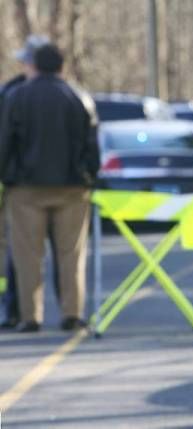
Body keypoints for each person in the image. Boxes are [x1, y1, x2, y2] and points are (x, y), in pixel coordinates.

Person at [0, 43, 100, 333]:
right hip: (72, 188)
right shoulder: (79, 97)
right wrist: (89, 175)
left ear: (34, 65)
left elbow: (5, 141)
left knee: (27, 256)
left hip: (25, 189)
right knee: (72, 254)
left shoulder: (17, 97)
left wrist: (6, 176)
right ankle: (72, 313)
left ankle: (30, 316)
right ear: (60, 67)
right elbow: (91, 144)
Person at [0, 34, 62, 329]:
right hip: (19, 185)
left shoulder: (65, 95)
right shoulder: (10, 92)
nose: (23, 65)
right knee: (17, 255)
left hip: (34, 186)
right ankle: (13, 309)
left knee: (51, 254)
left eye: (27, 60)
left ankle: (64, 313)